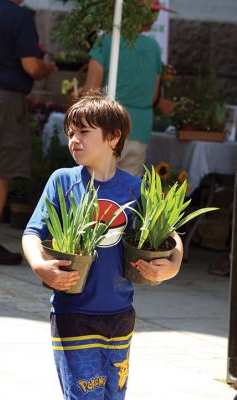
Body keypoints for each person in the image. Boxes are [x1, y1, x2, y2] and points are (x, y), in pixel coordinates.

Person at [22, 93, 183, 399]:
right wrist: (40, 266)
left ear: (113, 137)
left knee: (114, 395)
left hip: (120, 314)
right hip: (73, 312)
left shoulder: (135, 188)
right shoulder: (62, 181)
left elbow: (171, 235)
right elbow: (32, 232)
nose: (74, 140)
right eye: (71, 133)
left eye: (83, 132)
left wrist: (171, 266)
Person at [0, 0, 56, 265]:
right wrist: (47, 68)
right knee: (1, 171)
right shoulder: (19, 16)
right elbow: (31, 66)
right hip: (3, 99)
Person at [82, 2, 175, 177]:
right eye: (152, 14)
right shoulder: (154, 48)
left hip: (107, 126)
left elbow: (90, 92)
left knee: (97, 190)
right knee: (127, 195)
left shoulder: (107, 42)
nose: (154, 19)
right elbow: (153, 96)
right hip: (139, 128)